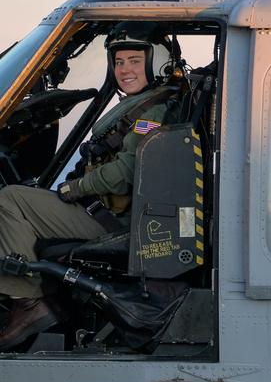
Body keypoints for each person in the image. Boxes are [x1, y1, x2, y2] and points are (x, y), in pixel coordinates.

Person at [0, 29, 171, 349]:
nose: (125, 70)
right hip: (103, 211)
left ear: (157, 63)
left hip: (109, 222)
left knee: (9, 200)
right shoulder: (141, 104)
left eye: (135, 61)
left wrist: (74, 188)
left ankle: (29, 301)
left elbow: (125, 173)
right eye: (119, 62)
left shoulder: (153, 112)